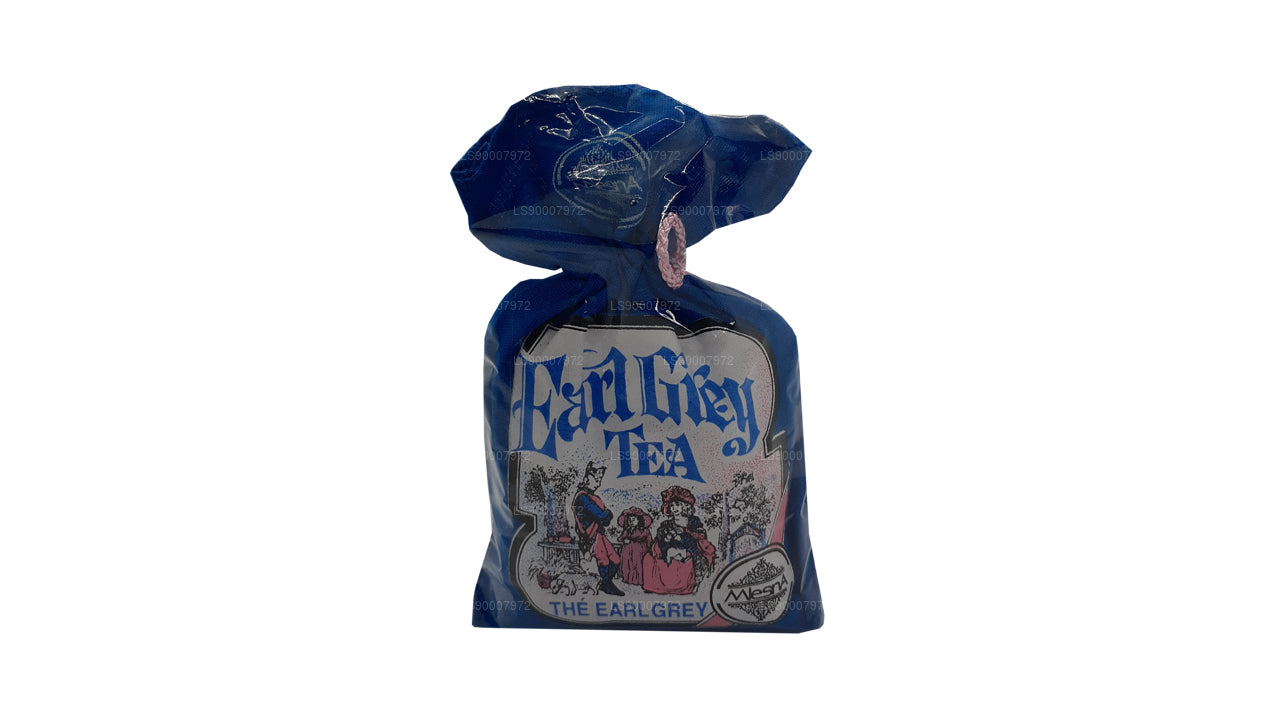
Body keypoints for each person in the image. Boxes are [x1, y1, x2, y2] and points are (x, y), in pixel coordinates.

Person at [642, 486, 716, 595]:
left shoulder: (693, 523)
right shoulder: (666, 525)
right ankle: (655, 586)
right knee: (649, 557)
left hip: (688, 552)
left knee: (683, 561)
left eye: (677, 505)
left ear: (685, 506)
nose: (674, 508)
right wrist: (667, 544)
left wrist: (684, 550)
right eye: (672, 506)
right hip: (668, 551)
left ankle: (681, 587)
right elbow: (660, 539)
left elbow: (697, 540)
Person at [572, 462, 623, 595]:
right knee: (604, 561)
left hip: (599, 533)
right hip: (590, 536)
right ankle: (605, 585)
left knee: (616, 559)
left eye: (600, 480)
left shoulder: (594, 498)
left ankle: (604, 583)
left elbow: (605, 520)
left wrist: (605, 515)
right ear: (586, 478)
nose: (598, 483)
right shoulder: (582, 497)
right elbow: (601, 515)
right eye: (596, 479)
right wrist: (606, 514)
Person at [616, 507, 653, 586]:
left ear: (639, 520)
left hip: (640, 549)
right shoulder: (627, 530)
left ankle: (638, 580)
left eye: (633, 520)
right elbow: (621, 538)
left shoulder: (644, 530)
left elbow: (644, 538)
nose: (631, 522)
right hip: (628, 549)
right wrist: (624, 540)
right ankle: (627, 578)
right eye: (629, 520)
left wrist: (631, 540)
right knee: (626, 557)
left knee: (637, 559)